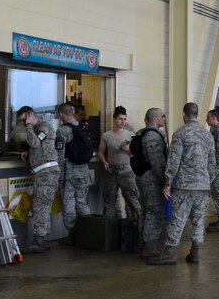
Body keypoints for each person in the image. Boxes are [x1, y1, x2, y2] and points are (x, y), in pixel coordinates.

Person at [148, 103, 215, 265]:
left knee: (178, 219)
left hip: (185, 186)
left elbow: (174, 160)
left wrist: (168, 182)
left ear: (184, 114)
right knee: (198, 220)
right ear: (197, 115)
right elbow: (213, 163)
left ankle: (170, 253)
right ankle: (195, 252)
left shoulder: (180, 133)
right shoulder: (208, 136)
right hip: (203, 186)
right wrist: (207, 181)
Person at [16, 106, 60, 254]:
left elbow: (36, 143)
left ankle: (40, 240)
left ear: (30, 115)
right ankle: (41, 238)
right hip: (43, 173)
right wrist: (28, 153)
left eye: (24, 120)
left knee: (40, 206)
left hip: (47, 173)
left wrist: (28, 126)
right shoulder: (37, 130)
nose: (23, 124)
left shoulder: (44, 127)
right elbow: (37, 147)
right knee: (41, 205)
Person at [54, 103, 91, 247]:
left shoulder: (62, 130)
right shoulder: (82, 127)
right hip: (83, 171)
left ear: (62, 115)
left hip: (68, 173)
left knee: (68, 202)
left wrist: (58, 174)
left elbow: (60, 154)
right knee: (82, 201)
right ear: (73, 112)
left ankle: (73, 235)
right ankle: (87, 232)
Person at [97, 106, 141, 222]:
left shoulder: (130, 134)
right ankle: (109, 230)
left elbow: (136, 153)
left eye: (124, 119)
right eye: (120, 119)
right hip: (111, 171)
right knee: (109, 201)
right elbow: (100, 152)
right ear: (114, 119)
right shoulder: (107, 136)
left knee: (133, 200)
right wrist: (104, 162)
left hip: (126, 171)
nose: (122, 122)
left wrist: (127, 149)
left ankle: (139, 227)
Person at [136, 108, 168, 259]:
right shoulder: (153, 137)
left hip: (144, 178)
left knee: (146, 211)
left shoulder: (141, 133)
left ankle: (143, 244)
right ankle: (150, 246)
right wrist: (165, 180)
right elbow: (157, 162)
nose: (164, 119)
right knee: (154, 212)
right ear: (154, 119)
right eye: (162, 116)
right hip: (152, 180)